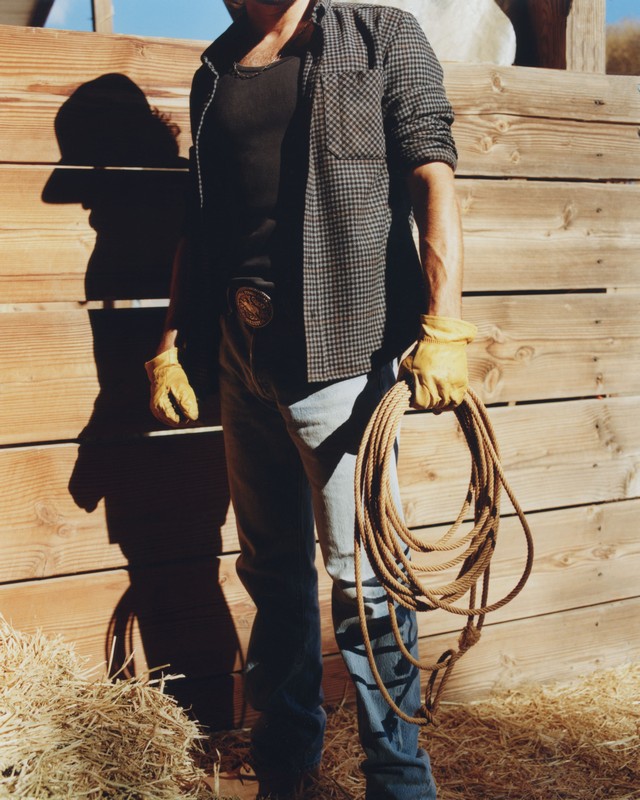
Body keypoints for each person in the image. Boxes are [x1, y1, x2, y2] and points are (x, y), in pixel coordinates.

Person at [145, 0, 477, 797]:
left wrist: (444, 324)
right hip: (242, 354)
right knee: (271, 571)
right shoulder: (217, 68)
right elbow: (199, 223)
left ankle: (399, 782)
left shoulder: (380, 35)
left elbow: (432, 173)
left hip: (343, 356)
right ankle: (287, 766)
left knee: (367, 583)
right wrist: (170, 344)